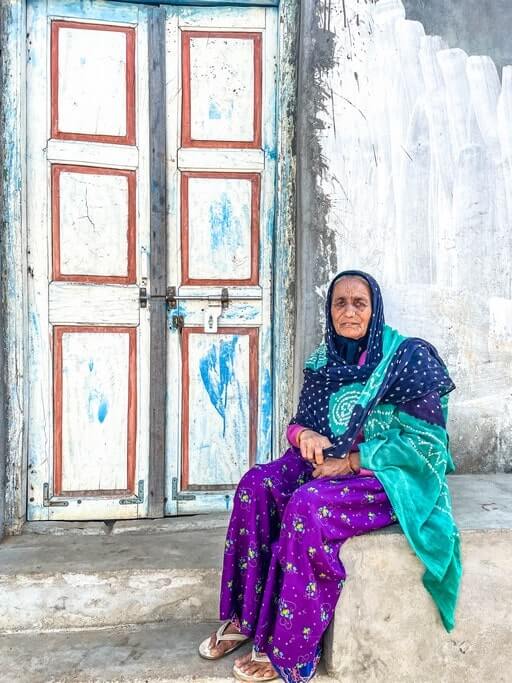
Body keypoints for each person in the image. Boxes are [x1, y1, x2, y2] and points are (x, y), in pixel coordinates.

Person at [198, 270, 462, 683]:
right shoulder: (324, 360)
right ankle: (246, 617)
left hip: (388, 473)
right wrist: (304, 435)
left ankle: (291, 650)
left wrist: (352, 461)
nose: (350, 311)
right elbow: (298, 423)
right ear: (330, 309)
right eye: (341, 303)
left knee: (308, 506)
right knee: (256, 485)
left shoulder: (408, 359)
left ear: (374, 310)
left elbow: (428, 447)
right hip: (326, 462)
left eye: (360, 303)